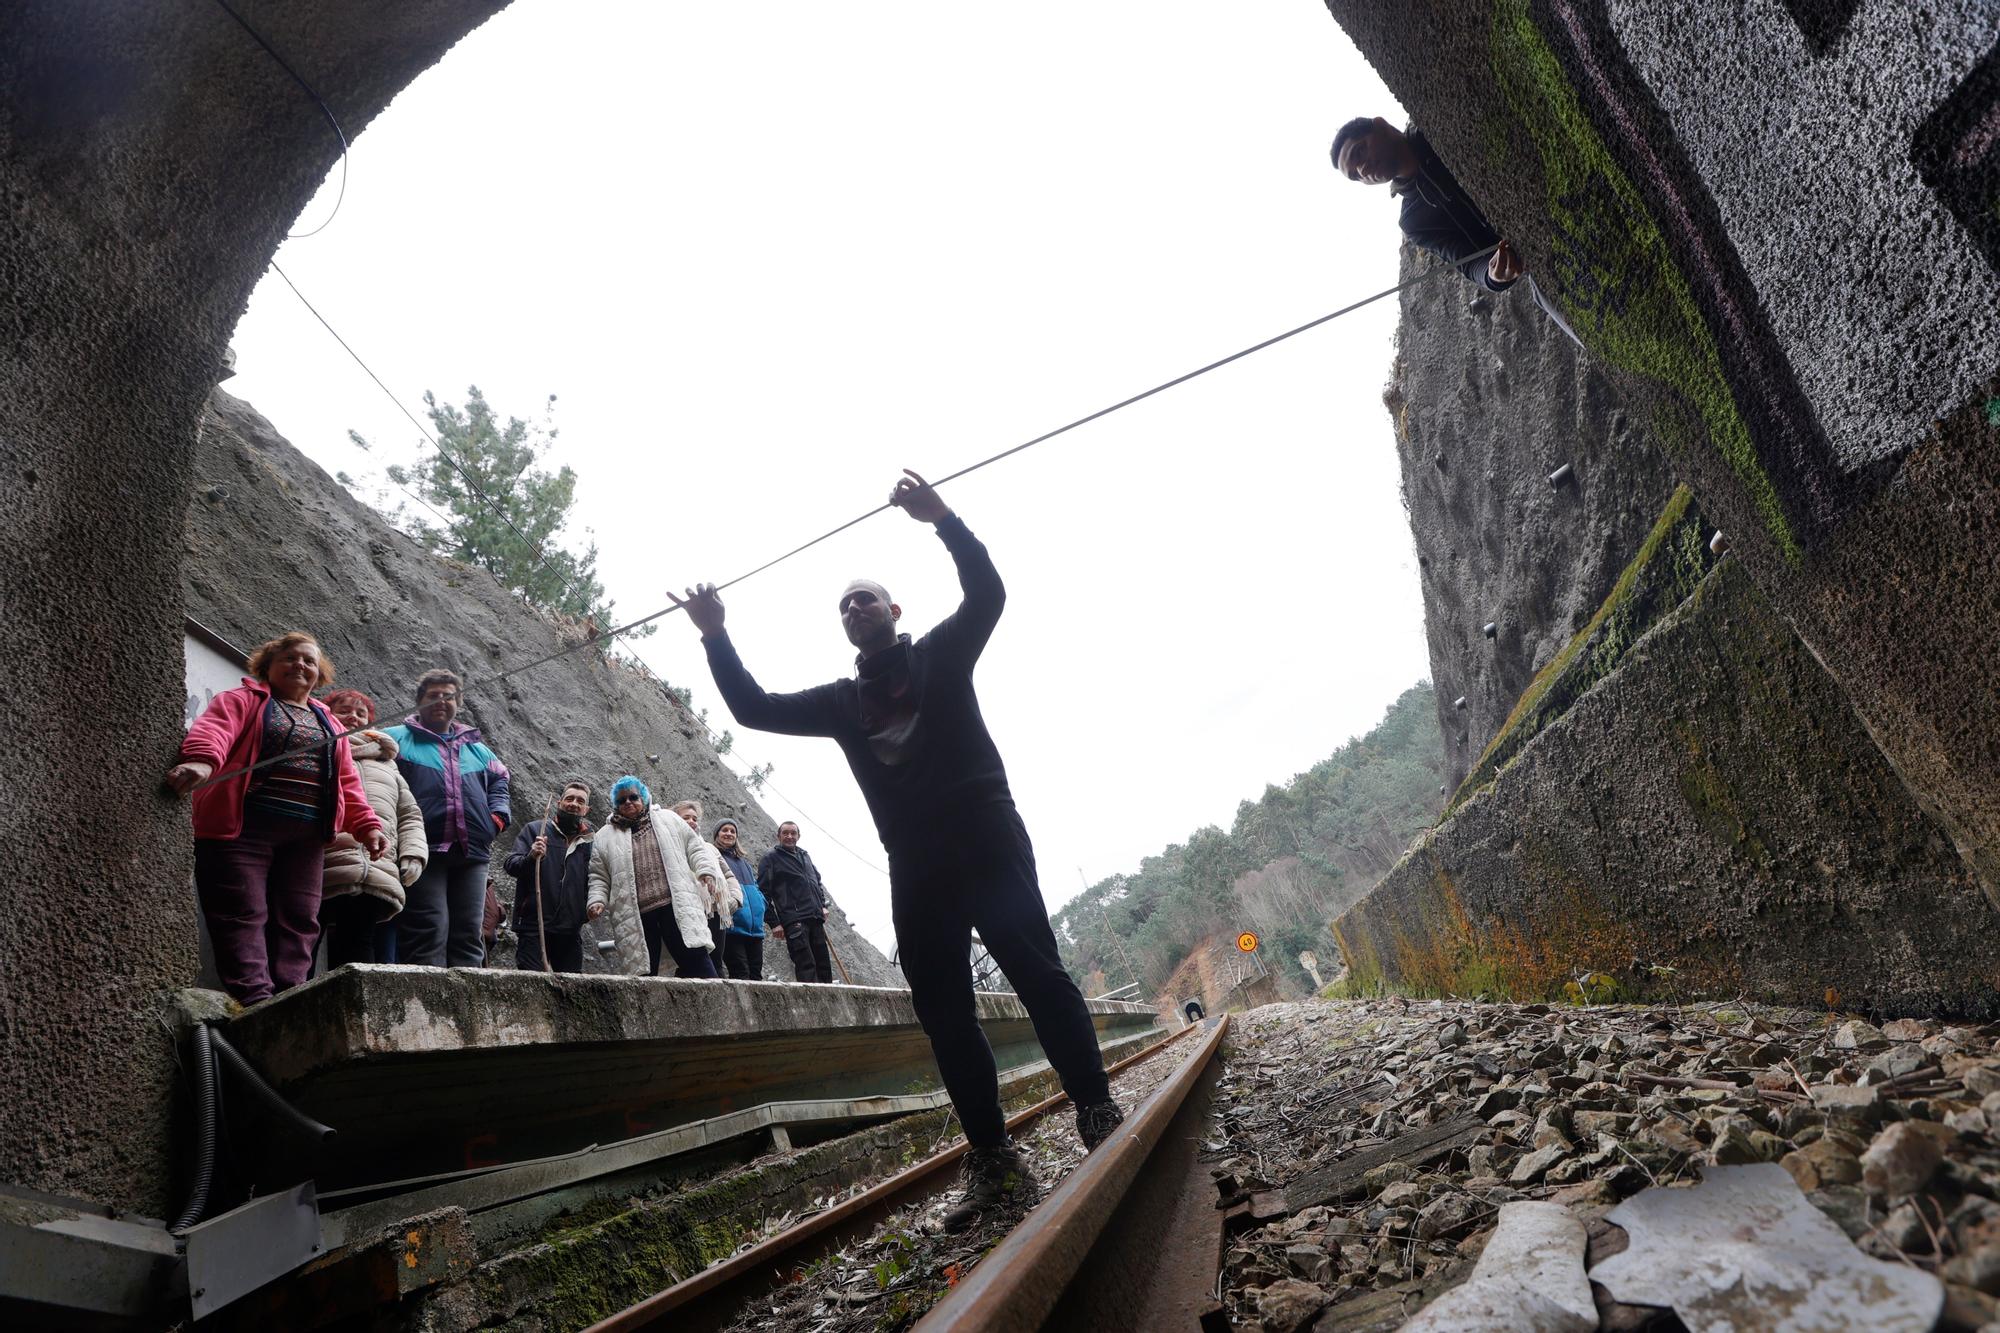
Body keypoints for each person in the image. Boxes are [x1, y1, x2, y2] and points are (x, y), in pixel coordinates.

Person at [670, 469, 1124, 1232]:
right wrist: (716, 632)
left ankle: (1098, 1107)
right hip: (918, 867)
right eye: (844, 605)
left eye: (865, 598)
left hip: (987, 838)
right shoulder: (842, 702)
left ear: (893, 611)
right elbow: (752, 707)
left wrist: (941, 518)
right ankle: (994, 1158)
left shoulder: (941, 654)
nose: (854, 608)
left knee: (1040, 975)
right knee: (944, 1012)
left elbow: (988, 595)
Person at [167, 632, 387, 1004]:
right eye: (289, 658)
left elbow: (347, 780)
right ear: (267, 665)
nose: (300, 665)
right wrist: (202, 761)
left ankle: (291, 997)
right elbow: (215, 732)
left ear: (319, 675)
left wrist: (367, 825)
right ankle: (254, 1000)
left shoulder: (330, 723)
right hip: (241, 830)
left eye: (309, 661)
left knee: (300, 920)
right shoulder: (242, 700)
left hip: (306, 840)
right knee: (241, 914)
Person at [1330, 115, 1581, 346]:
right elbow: (1468, 261)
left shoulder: (1434, 122)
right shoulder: (1414, 221)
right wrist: (1494, 274)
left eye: (1359, 151)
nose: (1363, 170)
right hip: (1539, 260)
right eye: (1355, 175)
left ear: (1382, 125)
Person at [384, 669, 512, 968]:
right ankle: (428, 1008)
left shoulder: (477, 749)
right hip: (421, 850)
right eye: (433, 695)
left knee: (469, 932)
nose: (441, 700)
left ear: (459, 702)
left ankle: (469, 1008)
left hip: (472, 854)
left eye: (449, 696)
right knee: (429, 928)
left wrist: (496, 819)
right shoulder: (394, 739)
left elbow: (500, 781)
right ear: (419, 701)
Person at [316, 689, 427, 967]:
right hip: (322, 862)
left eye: (361, 713)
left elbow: (409, 814)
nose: (353, 717)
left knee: (358, 945)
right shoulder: (319, 746)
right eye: (344, 710)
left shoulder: (387, 764)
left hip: (376, 866)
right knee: (303, 940)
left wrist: (413, 854)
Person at [588, 776, 724, 978]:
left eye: (633, 797)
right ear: (615, 805)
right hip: (636, 916)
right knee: (643, 974)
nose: (628, 802)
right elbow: (599, 875)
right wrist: (596, 900)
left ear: (643, 797)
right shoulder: (604, 836)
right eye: (621, 800)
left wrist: (705, 871)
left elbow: (693, 846)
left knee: (699, 964)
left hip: (676, 907)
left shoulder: (668, 819)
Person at [503, 781, 595, 973]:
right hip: (533, 927)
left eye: (580, 801)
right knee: (532, 985)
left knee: (571, 991)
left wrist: (584, 911)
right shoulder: (536, 831)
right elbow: (511, 865)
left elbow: (596, 880)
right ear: (559, 802)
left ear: (586, 809)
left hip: (569, 930)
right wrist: (531, 856)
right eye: (569, 799)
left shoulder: (590, 842)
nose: (574, 804)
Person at [757, 823, 835, 984]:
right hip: (794, 921)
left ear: (799, 836)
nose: (789, 836)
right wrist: (774, 923)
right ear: (778, 836)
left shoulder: (805, 856)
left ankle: (830, 1005)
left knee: (824, 965)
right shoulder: (771, 859)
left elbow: (816, 881)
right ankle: (813, 1004)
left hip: (815, 917)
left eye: (793, 833)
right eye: (785, 833)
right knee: (807, 965)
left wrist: (822, 905)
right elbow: (763, 893)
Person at [672, 798, 743, 955]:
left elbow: (729, 876)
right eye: (686, 817)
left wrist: (735, 899)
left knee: (716, 960)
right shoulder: (672, 845)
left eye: (694, 818)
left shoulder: (710, 848)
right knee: (695, 958)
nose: (691, 821)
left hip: (718, 909)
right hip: (691, 908)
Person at [713, 818, 768, 980]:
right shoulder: (715, 857)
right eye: (725, 830)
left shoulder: (744, 862)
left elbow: (755, 887)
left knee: (756, 975)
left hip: (755, 928)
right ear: (717, 834)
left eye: (732, 831)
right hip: (732, 927)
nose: (729, 834)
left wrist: (761, 903)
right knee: (740, 973)